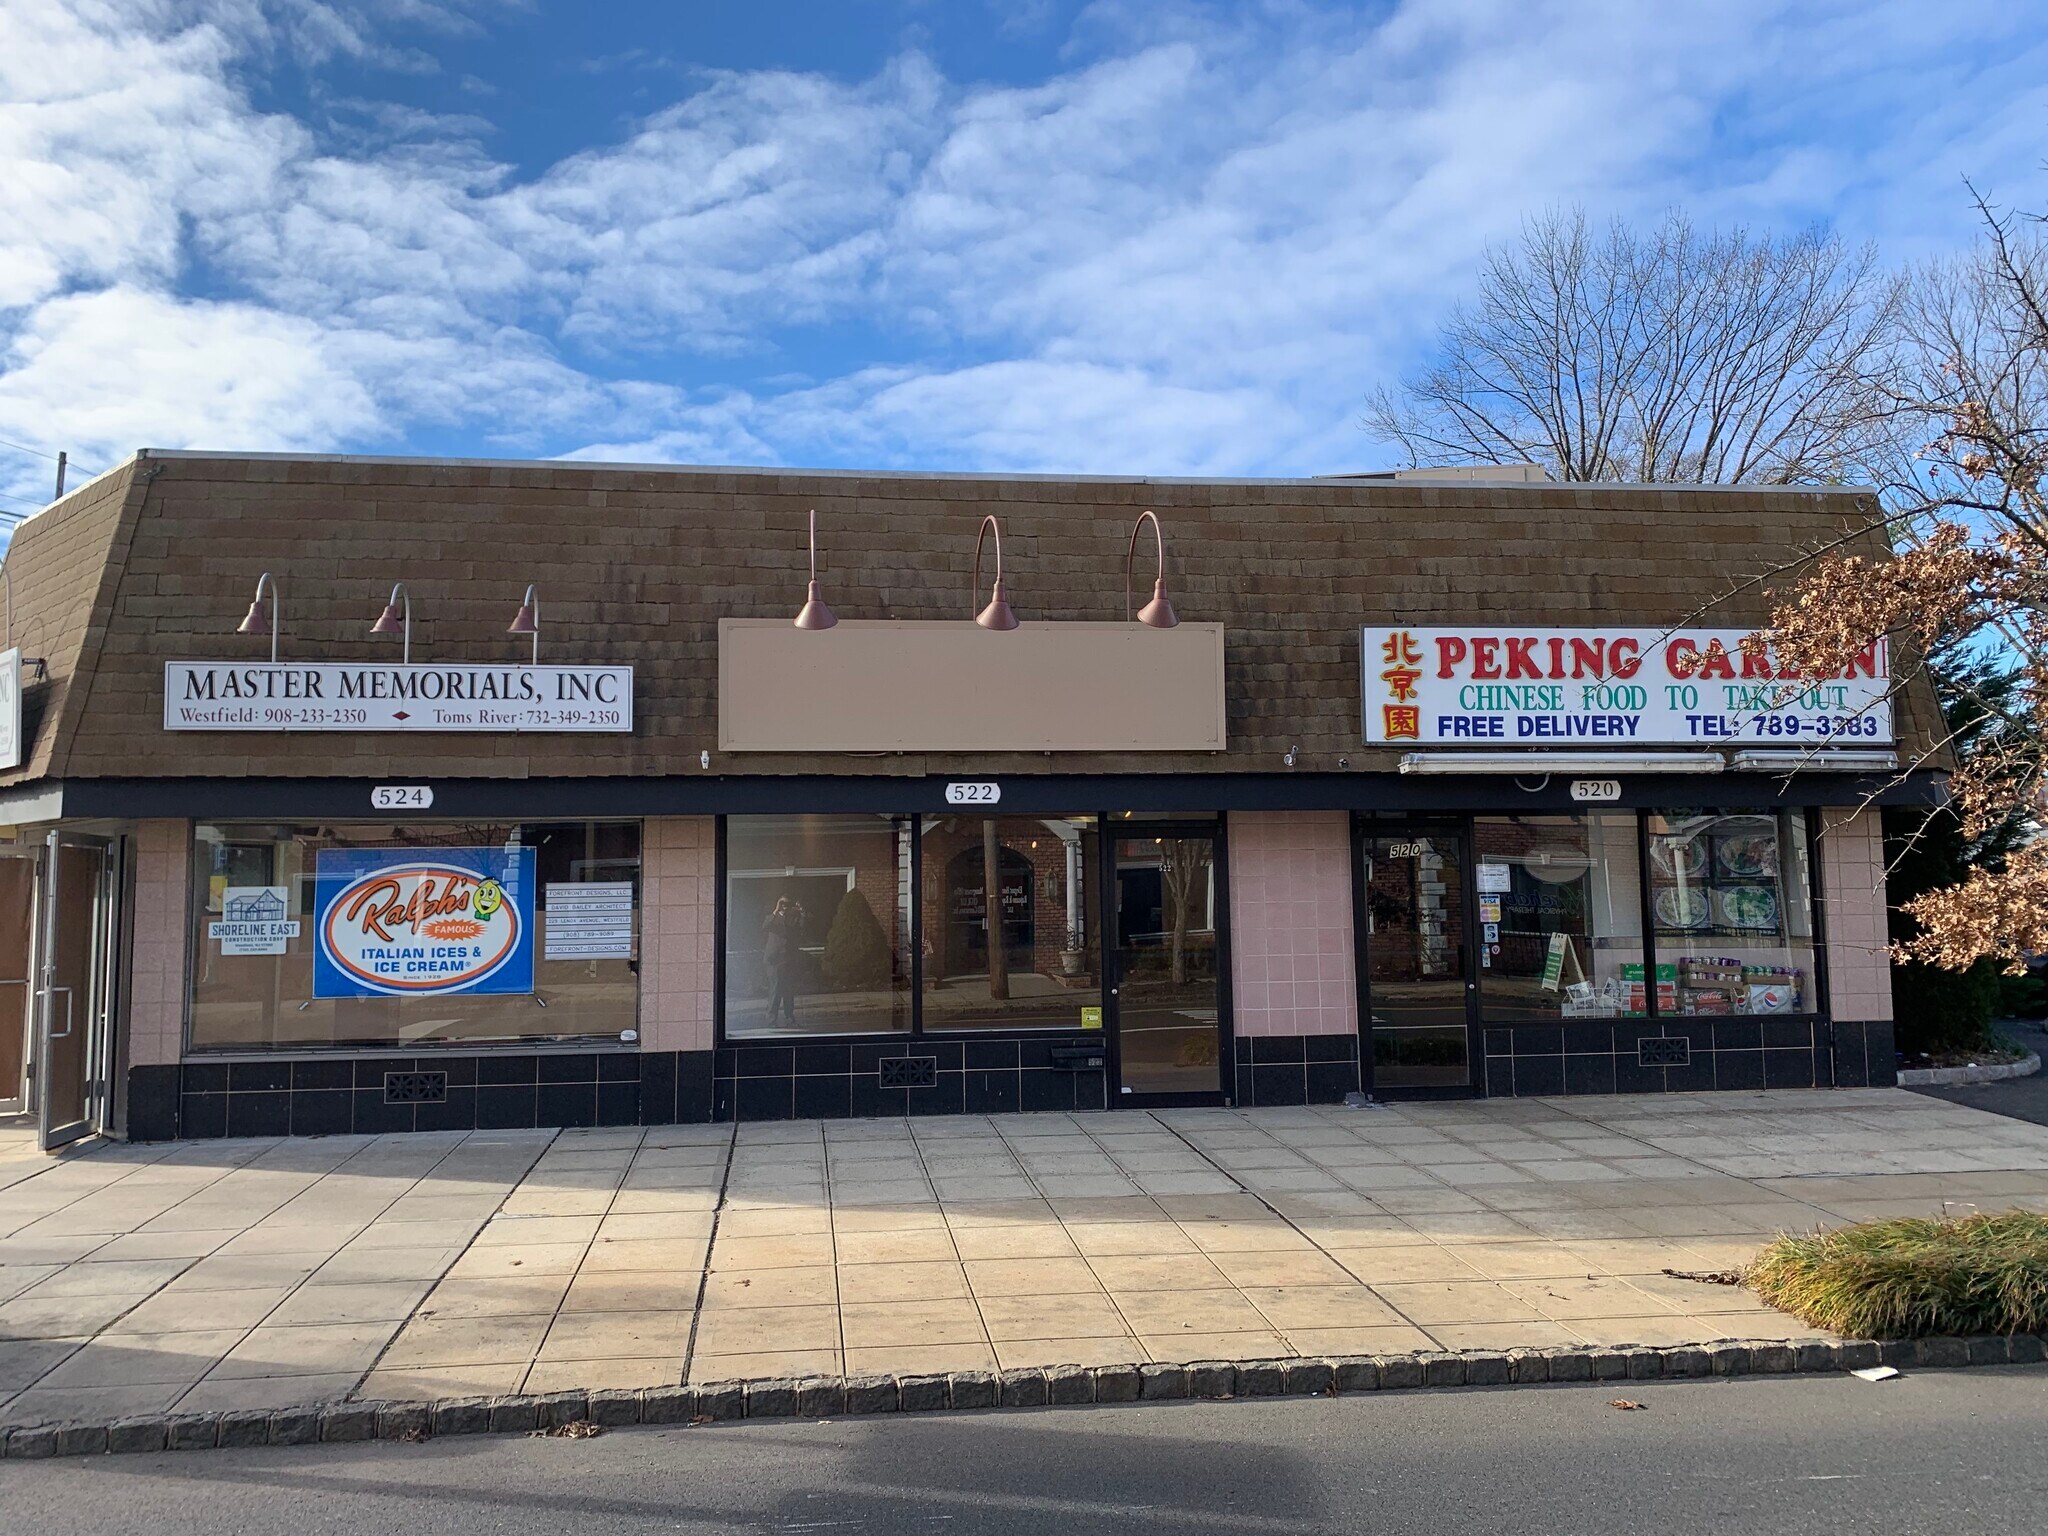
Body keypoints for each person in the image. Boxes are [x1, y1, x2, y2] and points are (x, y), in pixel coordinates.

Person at [761, 896, 802, 1027]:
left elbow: (802, 930)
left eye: (787, 904)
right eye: (782, 903)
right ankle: (771, 1019)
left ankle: (789, 1017)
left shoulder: (793, 918)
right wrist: (775, 910)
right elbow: (764, 926)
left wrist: (801, 913)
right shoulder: (772, 918)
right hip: (774, 959)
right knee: (775, 988)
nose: (785, 906)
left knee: (788, 990)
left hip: (788, 959)